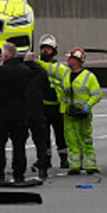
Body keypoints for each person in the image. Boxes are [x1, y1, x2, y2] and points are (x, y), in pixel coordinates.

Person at [0, 43, 31, 184]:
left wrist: (1, 66)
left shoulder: (0, 71)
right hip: (20, 113)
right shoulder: (25, 71)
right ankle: (19, 174)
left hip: (2, 113)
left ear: (5, 56)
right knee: (19, 146)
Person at [60, 48, 102, 175]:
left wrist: (88, 105)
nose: (67, 60)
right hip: (69, 114)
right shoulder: (65, 74)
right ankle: (75, 166)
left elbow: (97, 94)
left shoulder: (89, 77)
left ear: (76, 60)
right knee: (71, 140)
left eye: (70, 58)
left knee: (86, 139)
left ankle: (91, 165)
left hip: (83, 114)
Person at [36, 34, 69, 168]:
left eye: (48, 49)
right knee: (44, 137)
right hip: (42, 106)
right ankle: (46, 159)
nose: (45, 51)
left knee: (60, 135)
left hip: (57, 107)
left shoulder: (59, 68)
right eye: (43, 48)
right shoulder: (37, 66)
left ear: (54, 51)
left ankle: (64, 159)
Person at [23, 52, 57, 180]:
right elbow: (47, 90)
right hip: (37, 110)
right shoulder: (42, 73)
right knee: (40, 141)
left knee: (19, 142)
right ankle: (43, 168)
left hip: (22, 110)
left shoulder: (20, 72)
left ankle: (19, 169)